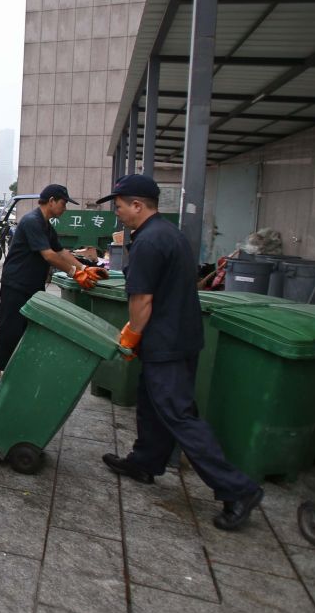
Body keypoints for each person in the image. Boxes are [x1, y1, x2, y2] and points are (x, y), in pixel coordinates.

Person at [96, 174, 264, 531]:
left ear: (138, 205)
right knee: (153, 402)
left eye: (121, 206)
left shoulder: (148, 242)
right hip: (180, 337)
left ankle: (237, 489)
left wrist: (131, 337)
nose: (119, 213)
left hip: (165, 342)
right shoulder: (169, 234)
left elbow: (142, 299)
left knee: (178, 414)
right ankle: (145, 462)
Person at [0, 184, 106, 392]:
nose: (65, 208)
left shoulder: (46, 226)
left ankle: (15, 370)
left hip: (32, 284)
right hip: (16, 284)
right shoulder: (32, 221)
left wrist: (84, 269)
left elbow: (60, 251)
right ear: (51, 201)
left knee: (26, 328)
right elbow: (49, 256)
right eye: (63, 203)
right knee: (9, 327)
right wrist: (74, 273)